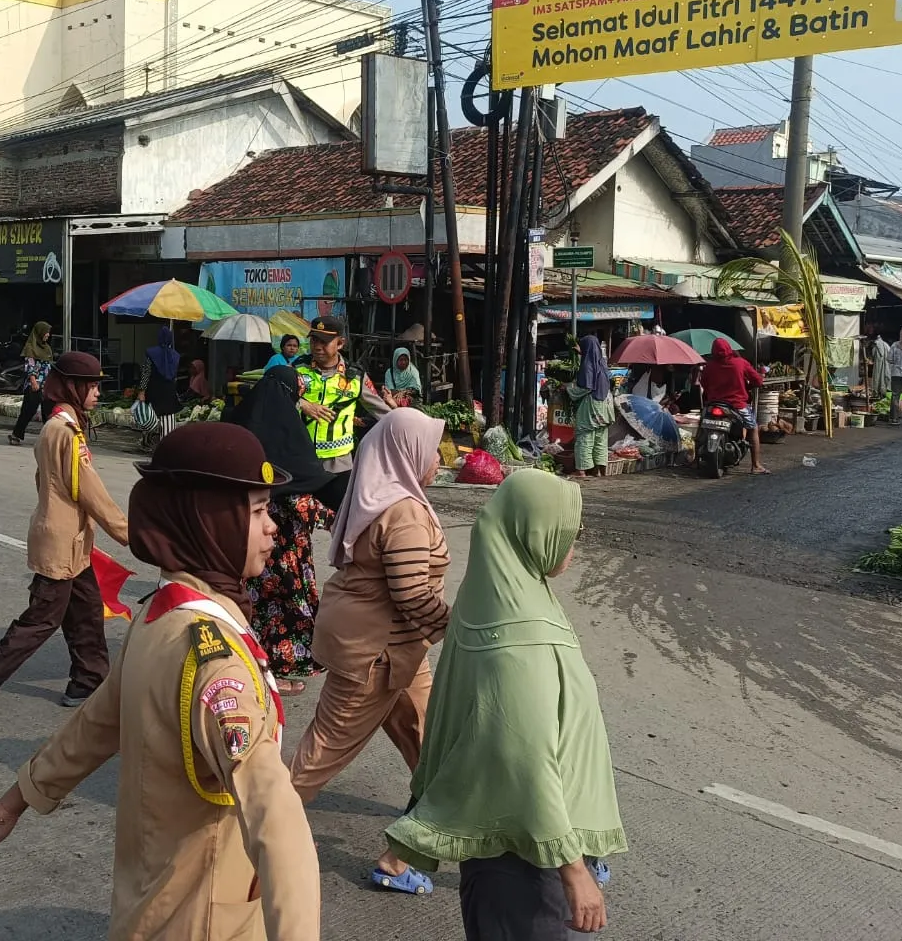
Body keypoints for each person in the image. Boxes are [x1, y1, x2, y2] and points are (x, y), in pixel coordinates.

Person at [0, 422, 320, 939]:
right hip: (206, 918)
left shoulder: (159, 619)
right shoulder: (216, 663)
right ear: (210, 522)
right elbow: (276, 819)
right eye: (257, 511)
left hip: (148, 906)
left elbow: (96, 723)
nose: (272, 527)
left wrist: (15, 801)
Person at [386, 470, 627, 940]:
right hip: (527, 860)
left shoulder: (495, 596)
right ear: (531, 531)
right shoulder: (517, 640)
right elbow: (527, 761)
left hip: (506, 846)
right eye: (567, 533)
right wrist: (574, 870)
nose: (573, 545)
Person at [287, 408, 450, 894]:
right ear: (406, 453)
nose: (439, 460)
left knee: (433, 741)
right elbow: (412, 595)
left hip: (397, 650)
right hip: (376, 655)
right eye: (431, 449)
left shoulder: (382, 494)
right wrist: (462, 630)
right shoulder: (404, 514)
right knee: (323, 752)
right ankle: (251, 828)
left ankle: (412, 841)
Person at [0, 351, 127, 720]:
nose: (98, 392)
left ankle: (89, 679)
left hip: (73, 543)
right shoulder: (63, 431)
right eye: (92, 386)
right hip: (61, 544)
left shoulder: (63, 424)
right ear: (72, 387)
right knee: (40, 621)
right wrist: (130, 533)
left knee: (86, 614)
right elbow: (89, 490)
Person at [223, 363, 350, 694]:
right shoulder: (284, 434)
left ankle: (260, 664)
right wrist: (335, 520)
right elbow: (293, 496)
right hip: (282, 545)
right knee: (286, 603)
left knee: (260, 604)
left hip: (248, 540)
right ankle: (277, 672)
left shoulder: (245, 423)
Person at [294, 314, 390, 477]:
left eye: (324, 342)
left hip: (339, 465)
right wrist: (302, 404)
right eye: (314, 340)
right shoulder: (297, 369)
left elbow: (383, 413)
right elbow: (275, 398)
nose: (317, 347)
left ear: (340, 343)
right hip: (300, 459)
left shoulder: (355, 377)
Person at [699, 338, 767, 474]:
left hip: (713, 404)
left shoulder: (709, 367)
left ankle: (696, 461)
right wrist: (758, 377)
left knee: (702, 427)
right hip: (737, 405)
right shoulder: (740, 363)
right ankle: (756, 465)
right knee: (753, 428)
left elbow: (704, 385)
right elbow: (758, 381)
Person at [567, 337, 616, 478]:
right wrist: (581, 352)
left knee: (584, 437)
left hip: (592, 406)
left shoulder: (587, 365)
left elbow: (586, 387)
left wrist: (567, 388)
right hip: (606, 405)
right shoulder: (602, 363)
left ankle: (581, 470)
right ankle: (599, 470)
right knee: (600, 439)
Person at [138, 324, 183, 450]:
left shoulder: (151, 353)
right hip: (169, 391)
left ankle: (146, 441)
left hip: (154, 390)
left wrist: (141, 391)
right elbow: (174, 377)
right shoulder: (175, 355)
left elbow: (146, 373)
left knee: (150, 417)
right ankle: (165, 448)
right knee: (168, 420)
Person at [10, 321, 54, 446]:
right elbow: (30, 366)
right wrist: (33, 381)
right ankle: (16, 435)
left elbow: (48, 367)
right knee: (29, 410)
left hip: (46, 385)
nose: (48, 335)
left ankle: (49, 437)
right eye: (46, 332)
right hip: (34, 385)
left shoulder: (47, 348)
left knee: (48, 411)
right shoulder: (31, 347)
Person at [867, 330, 891, 399]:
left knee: (877, 379)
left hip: (879, 367)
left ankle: (877, 393)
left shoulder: (876, 346)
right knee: (882, 380)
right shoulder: (886, 345)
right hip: (886, 369)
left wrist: (870, 360)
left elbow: (873, 358)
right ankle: (881, 394)